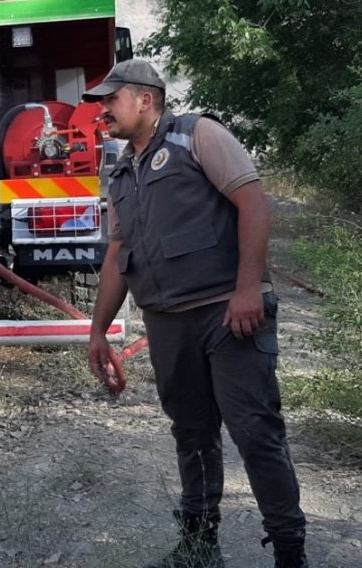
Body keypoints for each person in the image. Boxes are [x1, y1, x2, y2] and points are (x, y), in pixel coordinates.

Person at [82, 59, 308, 568]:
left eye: (110, 100)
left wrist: (248, 288)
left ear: (145, 99)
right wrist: (97, 330)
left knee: (255, 432)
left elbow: (253, 205)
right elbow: (119, 253)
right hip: (167, 321)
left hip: (229, 314)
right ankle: (199, 545)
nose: (102, 111)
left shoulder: (198, 135)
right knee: (191, 431)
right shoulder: (119, 170)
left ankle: (291, 553)